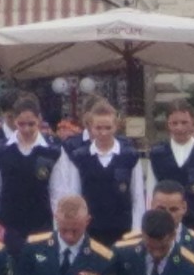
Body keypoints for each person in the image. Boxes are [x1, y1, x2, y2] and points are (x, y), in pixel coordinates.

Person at [0, 93, 73, 252]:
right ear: (14, 120)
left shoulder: (53, 150)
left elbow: (58, 193)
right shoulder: (0, 151)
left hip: (42, 224)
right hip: (8, 225)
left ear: (40, 120)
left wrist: (59, 229)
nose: (27, 129)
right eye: (21, 124)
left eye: (31, 124)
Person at [59, 100, 146, 247]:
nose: (103, 132)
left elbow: (137, 198)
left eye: (108, 127)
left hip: (123, 230)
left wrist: (137, 231)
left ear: (116, 127)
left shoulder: (130, 156)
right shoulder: (80, 157)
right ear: (90, 128)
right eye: (98, 128)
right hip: (90, 231)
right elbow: (75, 196)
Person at [145, 105, 194, 237]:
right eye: (174, 123)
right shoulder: (157, 155)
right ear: (168, 124)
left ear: (193, 123)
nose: (179, 127)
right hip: (163, 228)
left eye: (184, 123)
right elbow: (151, 193)